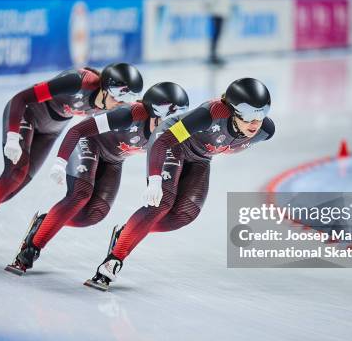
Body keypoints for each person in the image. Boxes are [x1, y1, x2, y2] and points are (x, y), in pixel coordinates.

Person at [0, 63, 143, 259]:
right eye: (117, 99)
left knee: (9, 192)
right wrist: (13, 136)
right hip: (27, 114)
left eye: (124, 101)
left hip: (51, 131)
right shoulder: (78, 82)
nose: (118, 106)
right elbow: (21, 99)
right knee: (13, 176)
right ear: (105, 89)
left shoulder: (116, 105)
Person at [85, 77, 276, 291]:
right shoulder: (209, 116)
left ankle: (127, 232)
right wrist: (155, 179)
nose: (255, 123)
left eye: (262, 114)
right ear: (230, 111)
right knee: (162, 203)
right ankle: (112, 263)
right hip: (173, 144)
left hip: (201, 157)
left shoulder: (265, 132)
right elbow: (164, 140)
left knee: (184, 215)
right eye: (249, 115)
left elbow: (216, 145)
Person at [5, 82, 190, 274]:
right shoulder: (129, 114)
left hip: (114, 159)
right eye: (168, 121)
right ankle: (31, 249)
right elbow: (77, 131)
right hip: (90, 142)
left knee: (94, 214)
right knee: (80, 195)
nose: (170, 129)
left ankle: (46, 221)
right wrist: (60, 162)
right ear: (153, 113)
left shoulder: (173, 134)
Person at [204, 0, 234, 65]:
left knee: (218, 33)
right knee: (216, 33)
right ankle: (213, 56)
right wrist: (210, 4)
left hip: (220, 9)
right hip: (217, 10)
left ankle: (214, 55)